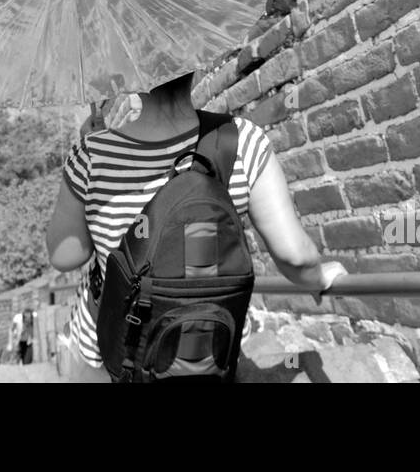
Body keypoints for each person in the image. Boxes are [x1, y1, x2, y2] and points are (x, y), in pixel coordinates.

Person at [45, 72, 346, 383]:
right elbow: (294, 256)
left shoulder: (92, 155)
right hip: (205, 347)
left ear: (131, 82)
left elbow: (64, 255)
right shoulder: (242, 140)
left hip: (115, 353)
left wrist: (90, 148)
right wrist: (320, 276)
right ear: (194, 68)